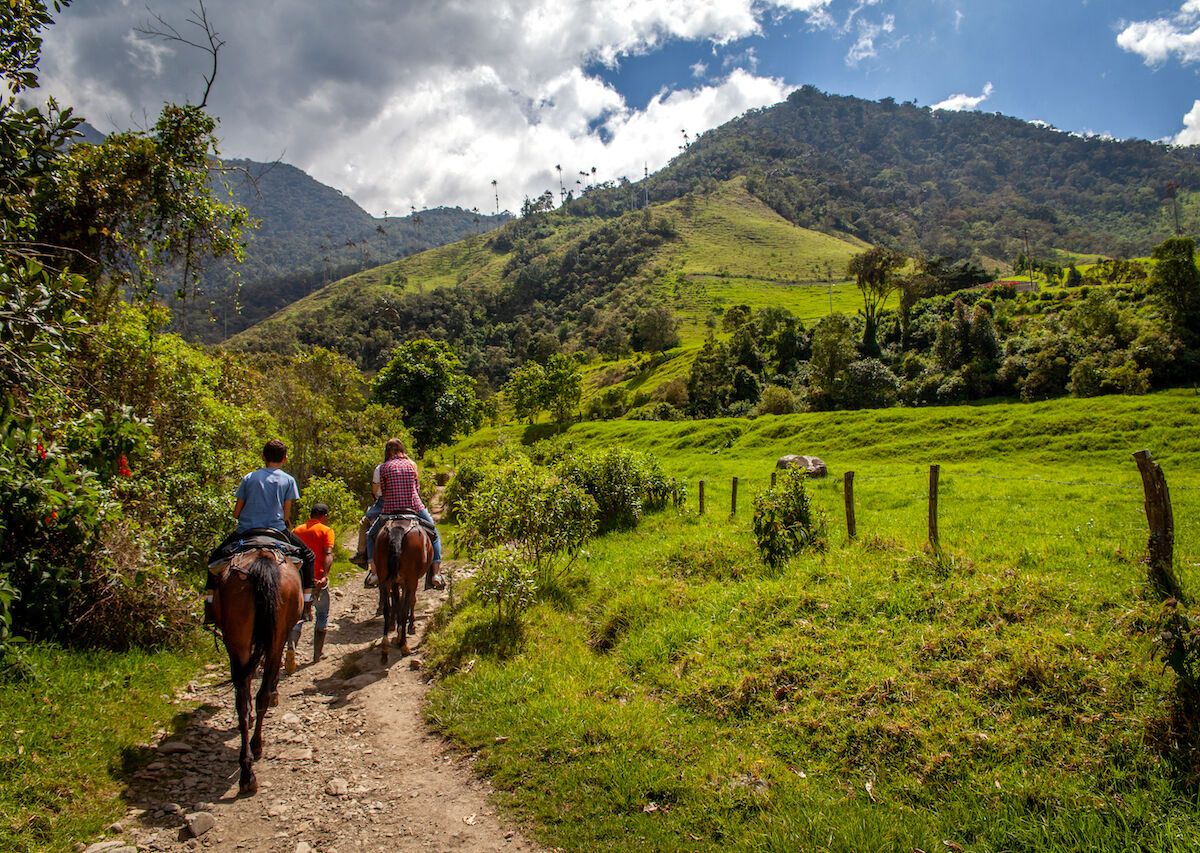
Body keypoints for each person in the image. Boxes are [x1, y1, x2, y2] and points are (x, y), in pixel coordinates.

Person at [205, 439, 314, 625]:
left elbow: (236, 512)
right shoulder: (288, 480)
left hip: (246, 531)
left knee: (214, 559)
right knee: (309, 556)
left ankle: (209, 606)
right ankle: (307, 603)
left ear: (263, 457)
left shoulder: (249, 478)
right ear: (285, 459)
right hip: (277, 529)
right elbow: (286, 514)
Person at [369, 437, 444, 590]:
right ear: (402, 449)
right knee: (434, 533)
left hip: (390, 508)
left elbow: (376, 491)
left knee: (370, 535)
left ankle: (375, 573)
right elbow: (417, 488)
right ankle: (436, 573)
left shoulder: (382, 467)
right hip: (414, 506)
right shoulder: (412, 464)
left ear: (387, 452)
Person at [288, 502, 335, 666]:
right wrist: (325, 575)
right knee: (322, 614)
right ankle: (317, 654)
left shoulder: (297, 531)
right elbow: (328, 553)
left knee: (297, 616)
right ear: (324, 516)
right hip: (317, 581)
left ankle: (291, 647)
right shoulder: (326, 530)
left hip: (299, 582)